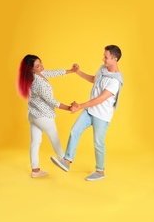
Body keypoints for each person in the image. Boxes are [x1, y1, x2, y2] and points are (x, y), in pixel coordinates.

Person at [50, 45, 124, 181]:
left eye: (106, 57)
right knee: (74, 131)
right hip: (90, 110)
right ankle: (67, 161)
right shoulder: (103, 69)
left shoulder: (115, 81)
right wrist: (78, 72)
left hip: (101, 115)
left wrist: (80, 106)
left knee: (98, 143)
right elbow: (93, 79)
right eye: (104, 56)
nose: (103, 59)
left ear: (115, 59)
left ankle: (100, 171)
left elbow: (100, 99)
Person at [17, 54, 76, 178]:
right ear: (32, 69)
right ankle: (64, 160)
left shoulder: (35, 75)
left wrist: (70, 71)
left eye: (41, 63)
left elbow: (51, 73)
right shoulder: (39, 83)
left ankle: (35, 170)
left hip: (33, 114)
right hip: (43, 117)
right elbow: (52, 101)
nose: (42, 66)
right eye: (38, 66)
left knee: (35, 142)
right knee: (55, 138)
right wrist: (69, 108)